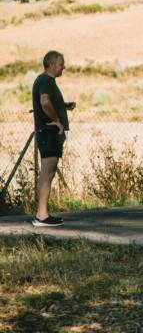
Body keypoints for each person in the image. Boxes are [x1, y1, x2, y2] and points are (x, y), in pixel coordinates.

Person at [31, 51, 76, 227]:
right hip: (49, 133)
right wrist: (57, 121)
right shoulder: (45, 81)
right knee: (47, 173)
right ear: (50, 64)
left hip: (47, 133)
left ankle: (42, 214)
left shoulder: (45, 81)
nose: (63, 67)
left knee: (46, 173)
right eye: (60, 64)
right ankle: (42, 215)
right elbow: (44, 102)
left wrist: (63, 106)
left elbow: (47, 102)